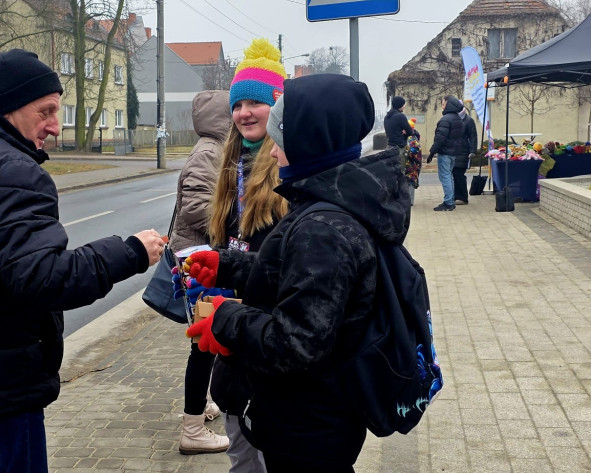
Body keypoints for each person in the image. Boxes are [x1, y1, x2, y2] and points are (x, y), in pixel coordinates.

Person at [0, 49, 165, 473]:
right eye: (46, 111)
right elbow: (42, 279)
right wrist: (129, 251)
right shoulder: (11, 168)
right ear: (9, 107)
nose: (55, 127)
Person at [185, 73, 410, 472]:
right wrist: (230, 265)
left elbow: (296, 342)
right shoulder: (330, 205)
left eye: (280, 139)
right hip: (316, 414)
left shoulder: (322, 227)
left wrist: (225, 317)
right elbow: (303, 276)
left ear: (308, 139)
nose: (272, 153)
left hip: (307, 422)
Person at [203, 37, 288, 472]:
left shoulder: (288, 167)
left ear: (278, 105)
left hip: (271, 330)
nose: (244, 114)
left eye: (256, 103)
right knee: (239, 446)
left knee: (270, 446)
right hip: (235, 324)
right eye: (237, 106)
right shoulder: (230, 162)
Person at [169, 89, 231, 455]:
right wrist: (231, 225)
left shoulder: (214, 148)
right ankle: (192, 428)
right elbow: (195, 208)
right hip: (197, 262)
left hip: (200, 258)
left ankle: (202, 404)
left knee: (206, 341)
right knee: (204, 344)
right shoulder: (210, 152)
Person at [427, 96, 468, 211]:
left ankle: (448, 202)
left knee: (445, 176)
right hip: (454, 153)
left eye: (443, 103)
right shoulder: (458, 119)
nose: (442, 105)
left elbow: (440, 138)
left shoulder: (445, 119)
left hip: (445, 153)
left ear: (448, 105)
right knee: (449, 176)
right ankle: (451, 200)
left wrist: (432, 152)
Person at [454, 104, 479, 205]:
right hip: (453, 151)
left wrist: (472, 151)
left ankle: (462, 197)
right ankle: (454, 196)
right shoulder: (452, 119)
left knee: (459, 174)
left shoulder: (468, 120)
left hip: (463, 152)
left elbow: (473, 136)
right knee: (453, 174)